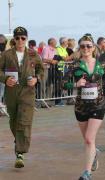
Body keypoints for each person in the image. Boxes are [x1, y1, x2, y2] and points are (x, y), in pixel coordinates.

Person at [62, 35, 105, 180]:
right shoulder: (75, 65)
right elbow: (63, 83)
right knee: (87, 140)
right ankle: (94, 153)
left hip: (98, 105)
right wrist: (75, 85)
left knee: (90, 139)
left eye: (88, 46)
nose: (86, 49)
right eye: (83, 46)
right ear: (79, 48)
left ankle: (87, 173)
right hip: (81, 107)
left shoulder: (101, 64)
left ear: (93, 48)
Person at [0, 26, 44, 168]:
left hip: (27, 93)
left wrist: (36, 79)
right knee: (14, 121)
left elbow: (41, 69)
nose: (20, 40)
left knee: (24, 121)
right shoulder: (6, 55)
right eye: (17, 38)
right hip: (12, 93)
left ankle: (20, 153)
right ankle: (18, 141)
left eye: (23, 38)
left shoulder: (33, 54)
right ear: (14, 39)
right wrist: (5, 79)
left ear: (26, 38)